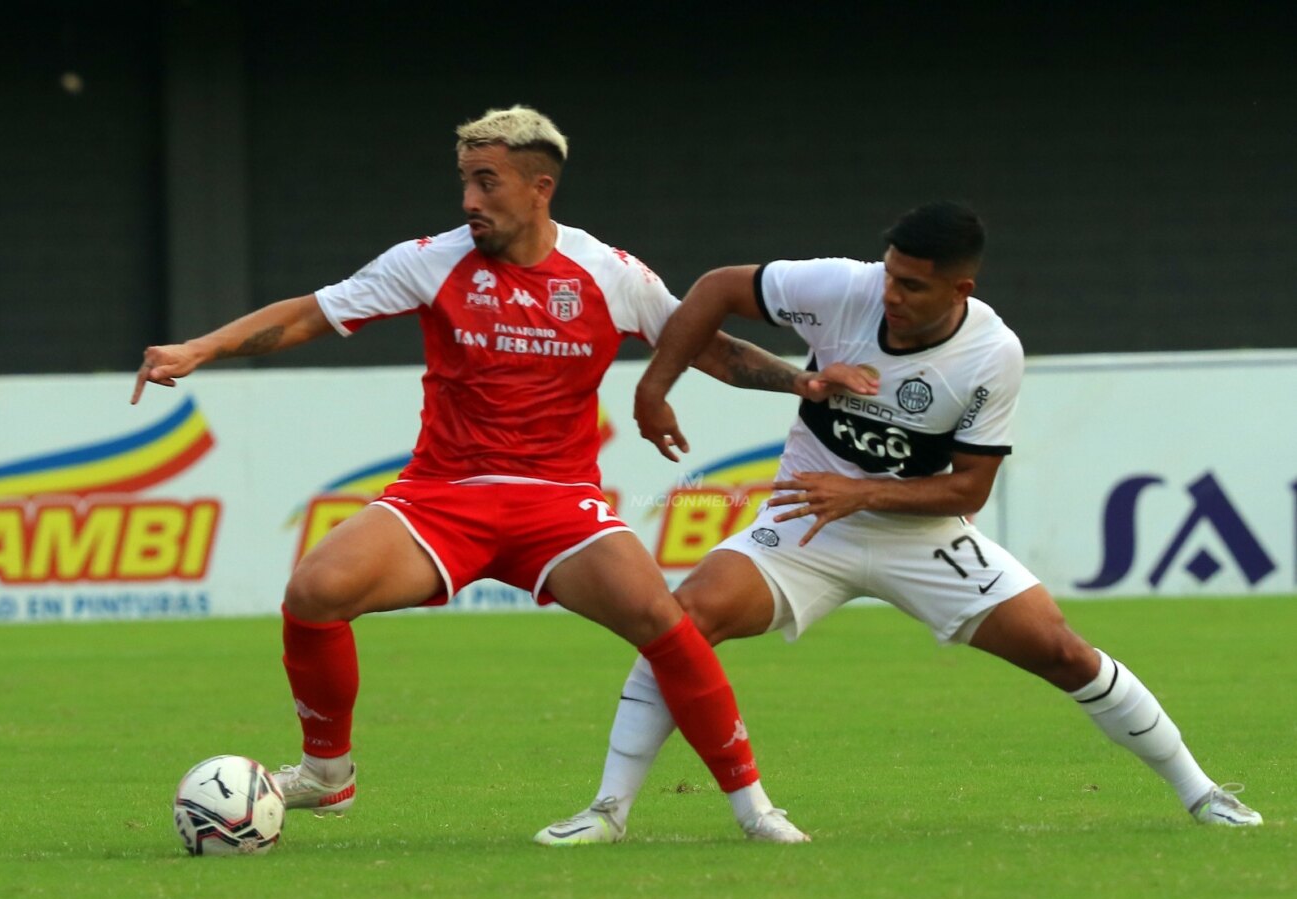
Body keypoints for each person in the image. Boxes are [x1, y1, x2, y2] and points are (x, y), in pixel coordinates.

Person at [131, 105, 870, 843]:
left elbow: (709, 348)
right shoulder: (431, 259)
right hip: (441, 497)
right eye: (464, 182)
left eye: (486, 183)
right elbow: (310, 315)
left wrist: (799, 383)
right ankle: (328, 773)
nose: (468, 202)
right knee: (314, 592)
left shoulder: (609, 274)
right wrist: (200, 348)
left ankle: (754, 809)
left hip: (560, 505)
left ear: (539, 187)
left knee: (665, 624)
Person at [534, 200, 1262, 845]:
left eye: (912, 285)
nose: (891, 294)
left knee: (1063, 651)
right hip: (807, 523)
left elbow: (967, 489)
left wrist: (864, 495)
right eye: (890, 273)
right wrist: (655, 389)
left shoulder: (990, 355)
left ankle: (1202, 793)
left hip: (921, 535)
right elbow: (720, 286)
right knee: (683, 620)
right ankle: (608, 810)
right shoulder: (842, 289)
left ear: (960, 289)